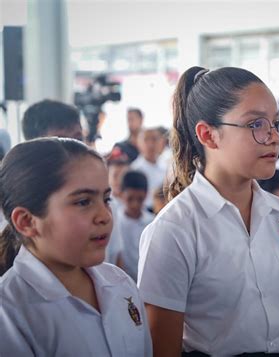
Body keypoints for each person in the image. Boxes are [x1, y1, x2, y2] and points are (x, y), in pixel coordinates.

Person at [138, 66, 279, 356]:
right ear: (209, 135)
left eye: (275, 124)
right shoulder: (174, 230)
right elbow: (163, 348)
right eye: (256, 124)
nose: (273, 137)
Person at [0, 138, 152, 356]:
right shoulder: (9, 312)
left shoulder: (120, 284)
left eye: (106, 199)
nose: (105, 216)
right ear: (27, 221)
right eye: (83, 202)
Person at [116, 170, 154, 282]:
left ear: (147, 195)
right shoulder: (114, 223)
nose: (135, 204)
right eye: (130, 198)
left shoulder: (152, 222)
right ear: (120, 193)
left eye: (140, 199)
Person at [131, 128, 168, 211]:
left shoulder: (166, 167)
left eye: (154, 139)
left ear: (161, 142)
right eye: (146, 140)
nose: (150, 144)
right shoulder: (135, 170)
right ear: (138, 143)